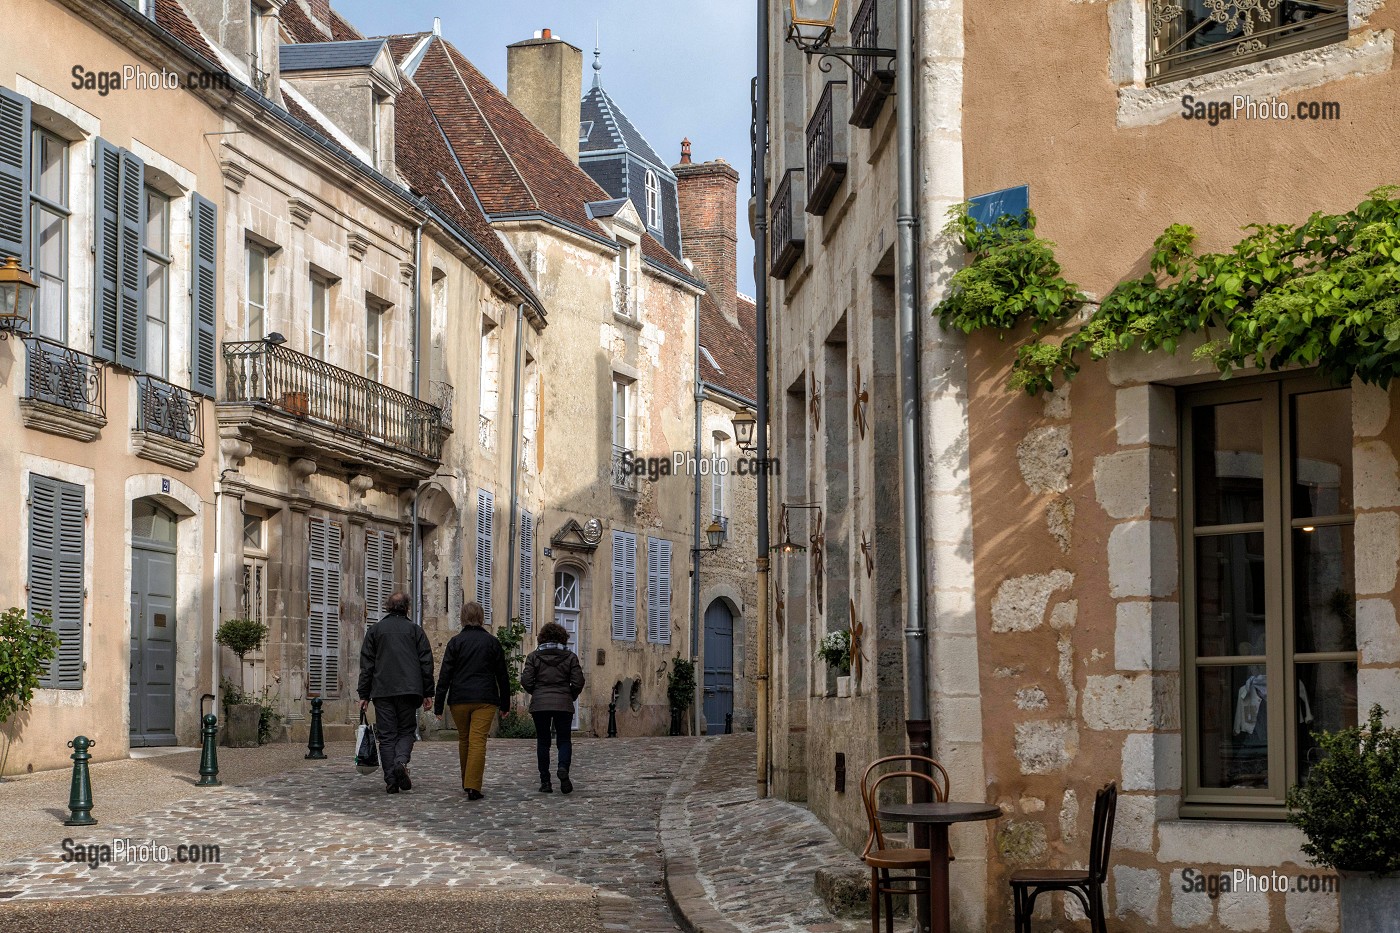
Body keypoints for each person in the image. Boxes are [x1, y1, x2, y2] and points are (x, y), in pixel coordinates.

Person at [358, 592, 434, 795]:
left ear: (388, 607)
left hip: (383, 690)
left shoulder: (375, 631)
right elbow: (426, 663)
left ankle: (391, 779)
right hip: (409, 690)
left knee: (387, 736)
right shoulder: (415, 631)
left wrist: (364, 694)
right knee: (406, 731)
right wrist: (428, 692)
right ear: (407, 607)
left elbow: (367, 665)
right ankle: (401, 761)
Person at [433, 601, 510, 799]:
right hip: (485, 698)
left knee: (464, 739)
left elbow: (445, 675)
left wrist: (439, 705)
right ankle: (473, 785)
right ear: (482, 618)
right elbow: (502, 675)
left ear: (463, 618)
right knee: (478, 741)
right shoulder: (492, 642)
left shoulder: (455, 642)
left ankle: (467, 781)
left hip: (459, 698)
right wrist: (505, 703)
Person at [520, 622, 585, 794]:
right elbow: (578, 681)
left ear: (542, 637)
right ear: (563, 638)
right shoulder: (570, 657)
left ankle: (545, 782)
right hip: (563, 703)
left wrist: (537, 693)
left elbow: (526, 681)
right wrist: (570, 695)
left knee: (543, 742)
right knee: (564, 740)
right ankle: (563, 768)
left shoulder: (533, 657)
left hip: (540, 704)